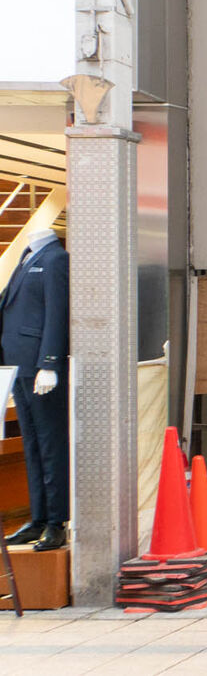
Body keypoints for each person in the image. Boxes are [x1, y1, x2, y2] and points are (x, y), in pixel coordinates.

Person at [0, 228, 69, 551]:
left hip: (39, 365)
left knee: (50, 443)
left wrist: (50, 362)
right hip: (18, 365)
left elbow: (57, 311)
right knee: (32, 445)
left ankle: (56, 522)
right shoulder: (28, 256)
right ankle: (39, 517)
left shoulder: (56, 259)